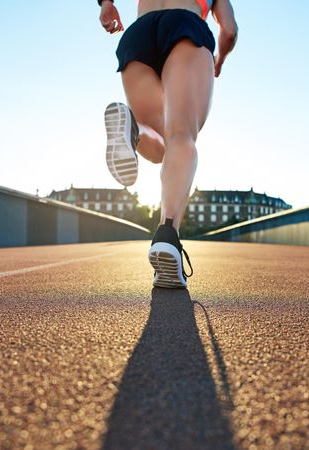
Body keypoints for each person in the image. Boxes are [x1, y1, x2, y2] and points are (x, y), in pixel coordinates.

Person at [98, 0, 238, 288]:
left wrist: (106, 4)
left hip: (138, 34)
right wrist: (219, 59)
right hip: (186, 27)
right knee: (182, 136)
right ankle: (167, 235)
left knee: (162, 144)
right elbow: (230, 30)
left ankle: (135, 131)